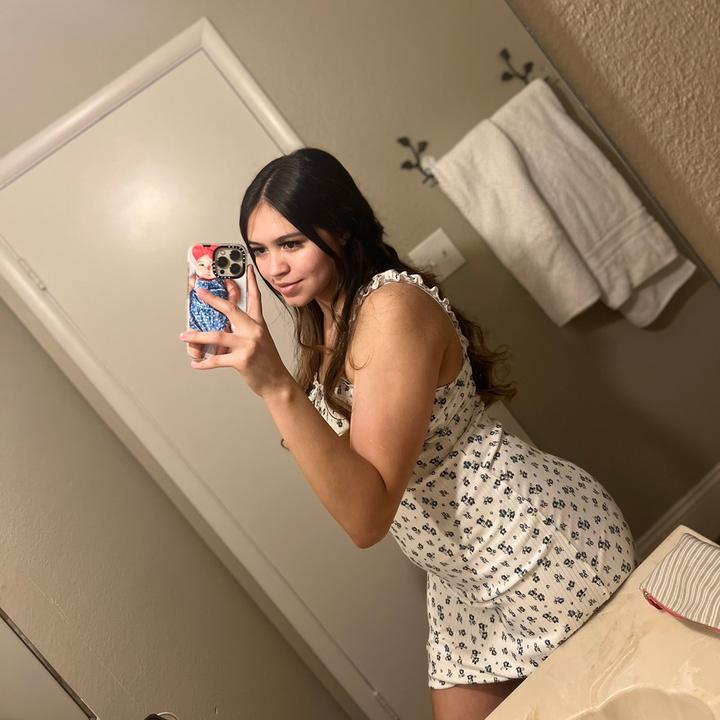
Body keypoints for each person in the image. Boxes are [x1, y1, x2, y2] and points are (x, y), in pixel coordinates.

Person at [179, 147, 636, 719]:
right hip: (459, 576)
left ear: (342, 228)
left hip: (529, 545)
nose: (274, 269)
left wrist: (275, 386)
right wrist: (271, 378)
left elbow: (366, 517)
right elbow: (346, 466)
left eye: (291, 244)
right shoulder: (326, 319)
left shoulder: (390, 307)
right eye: (259, 251)